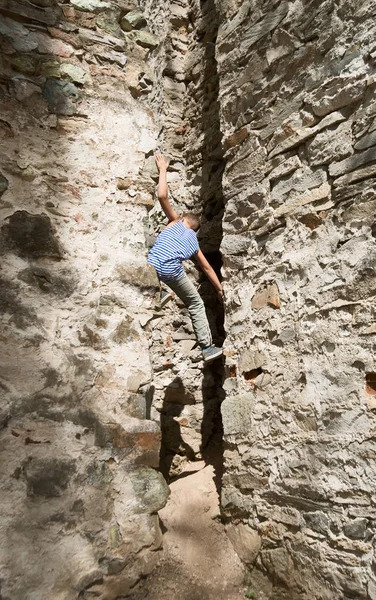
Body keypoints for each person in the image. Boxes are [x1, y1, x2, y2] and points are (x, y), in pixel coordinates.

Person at [148, 154, 223, 363]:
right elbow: (207, 269)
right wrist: (219, 289)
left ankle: (159, 293)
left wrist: (162, 169)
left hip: (152, 266)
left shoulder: (174, 222)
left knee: (155, 256)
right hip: (171, 271)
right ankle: (207, 348)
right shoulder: (194, 244)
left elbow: (162, 196)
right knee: (195, 302)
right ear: (196, 231)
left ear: (182, 219)